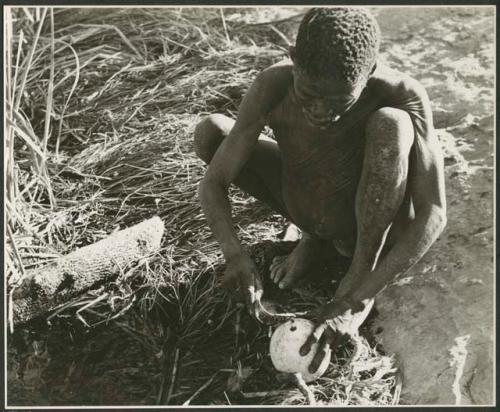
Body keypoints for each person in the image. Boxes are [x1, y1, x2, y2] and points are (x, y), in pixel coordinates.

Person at [194, 7, 446, 374]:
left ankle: (357, 273)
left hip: (376, 230)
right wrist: (235, 255)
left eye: (337, 99)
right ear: (293, 62)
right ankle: (314, 239)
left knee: (392, 124)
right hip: (314, 209)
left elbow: (433, 212)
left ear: (369, 73)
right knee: (212, 133)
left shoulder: (401, 94)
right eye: (309, 94)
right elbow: (214, 182)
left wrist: (355, 300)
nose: (320, 110)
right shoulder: (273, 85)